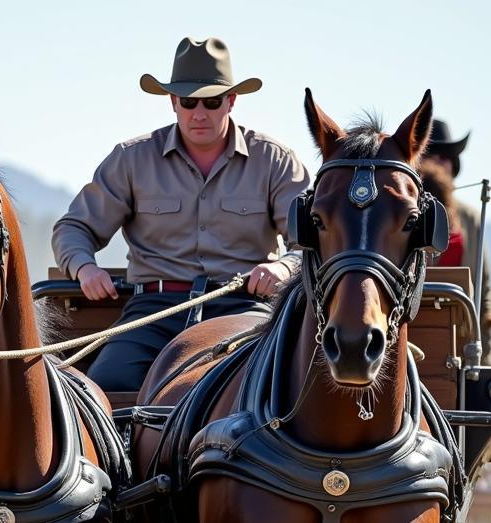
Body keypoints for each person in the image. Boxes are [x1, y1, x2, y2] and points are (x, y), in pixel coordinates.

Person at [52, 36, 310, 392]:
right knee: (106, 386)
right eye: (188, 101)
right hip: (154, 313)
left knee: (271, 386)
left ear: (231, 101)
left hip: (244, 308)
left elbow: (311, 242)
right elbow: (74, 227)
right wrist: (84, 267)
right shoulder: (131, 159)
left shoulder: (274, 160)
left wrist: (283, 267)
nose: (199, 113)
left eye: (211, 101)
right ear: (173, 102)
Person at [424, 119, 491, 352]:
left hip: (459, 338)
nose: (439, 162)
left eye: (445, 156)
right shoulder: (397, 215)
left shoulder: (470, 219)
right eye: (432, 154)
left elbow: (483, 288)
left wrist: (483, 344)